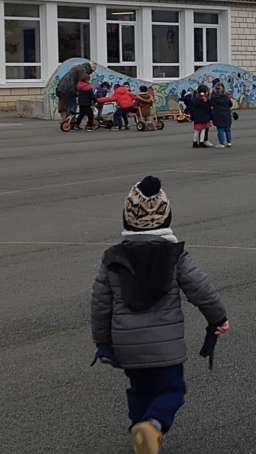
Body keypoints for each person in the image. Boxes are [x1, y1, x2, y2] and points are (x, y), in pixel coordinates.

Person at [92, 176, 229, 454]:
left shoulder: (113, 259)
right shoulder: (174, 256)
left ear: (127, 218)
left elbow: (100, 304)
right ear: (166, 218)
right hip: (165, 345)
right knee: (171, 390)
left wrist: (103, 341)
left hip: (128, 345)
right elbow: (201, 289)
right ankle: (153, 426)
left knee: (139, 389)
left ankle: (140, 429)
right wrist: (218, 317)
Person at [209, 84, 234, 148]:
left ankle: (221, 143)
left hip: (218, 115)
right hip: (226, 114)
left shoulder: (213, 98)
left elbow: (210, 104)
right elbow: (230, 104)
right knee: (227, 129)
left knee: (220, 129)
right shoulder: (226, 97)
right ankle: (229, 142)